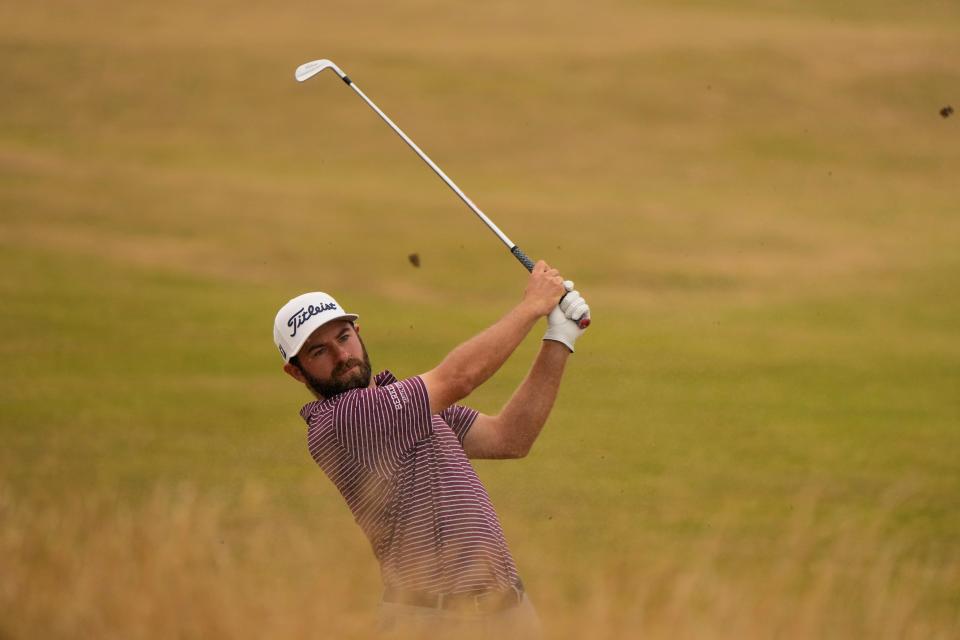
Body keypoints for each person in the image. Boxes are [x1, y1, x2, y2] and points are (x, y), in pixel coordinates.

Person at [272, 261, 590, 639]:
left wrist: (559, 337)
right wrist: (532, 306)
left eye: (343, 337)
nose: (342, 356)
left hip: (509, 612)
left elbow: (510, 437)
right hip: (435, 621)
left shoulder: (406, 409)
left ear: (358, 332)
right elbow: (458, 378)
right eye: (318, 351)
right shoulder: (343, 420)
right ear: (296, 371)